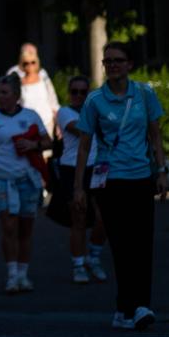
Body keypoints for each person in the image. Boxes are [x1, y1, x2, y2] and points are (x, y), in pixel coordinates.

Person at [68, 42, 167, 330]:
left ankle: (138, 306)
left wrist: (161, 171)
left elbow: (156, 136)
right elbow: (84, 147)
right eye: (107, 61)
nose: (112, 65)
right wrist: (78, 187)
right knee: (122, 245)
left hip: (141, 178)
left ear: (130, 64)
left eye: (118, 60)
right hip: (110, 181)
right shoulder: (95, 100)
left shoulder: (145, 94)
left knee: (142, 244)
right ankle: (129, 307)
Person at [0, 73, 49, 293]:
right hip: (1, 177)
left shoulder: (31, 115)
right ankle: (11, 276)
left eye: (4, 92)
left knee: (25, 229)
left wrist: (33, 144)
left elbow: (49, 141)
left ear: (16, 95)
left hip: (27, 178)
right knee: (8, 226)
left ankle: (23, 275)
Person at [54, 74, 108, 284]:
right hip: (72, 168)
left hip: (98, 167)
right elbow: (80, 130)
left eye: (82, 92)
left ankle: (93, 257)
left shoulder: (96, 111)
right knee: (78, 218)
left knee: (103, 218)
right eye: (74, 91)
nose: (78, 95)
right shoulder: (65, 111)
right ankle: (78, 264)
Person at [9, 43, 60, 135]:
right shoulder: (14, 74)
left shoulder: (43, 75)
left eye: (33, 62)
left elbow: (52, 99)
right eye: (26, 63)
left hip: (46, 121)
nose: (30, 65)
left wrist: (58, 121)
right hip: (26, 124)